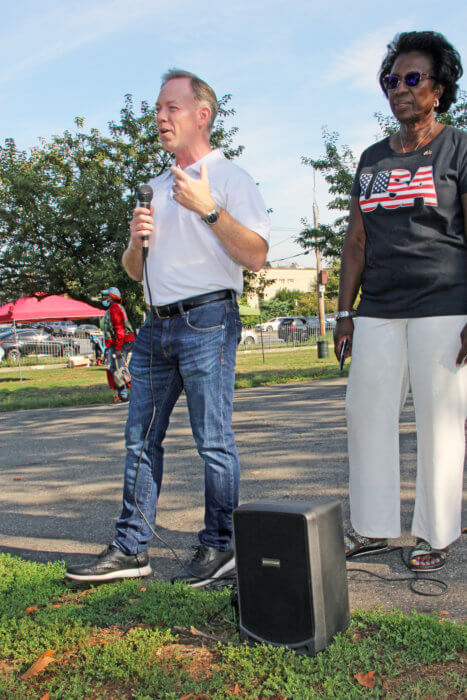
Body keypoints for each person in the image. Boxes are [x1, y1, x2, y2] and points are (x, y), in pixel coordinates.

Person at [65, 70, 270, 585]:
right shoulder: (153, 186)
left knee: (213, 440)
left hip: (207, 320)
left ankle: (219, 546)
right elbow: (137, 272)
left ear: (202, 114)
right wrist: (136, 242)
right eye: (158, 108)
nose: (159, 117)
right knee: (139, 440)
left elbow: (258, 256)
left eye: (171, 107)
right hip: (155, 327)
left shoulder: (230, 179)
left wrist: (210, 211)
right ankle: (133, 548)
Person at [334, 31, 466, 571]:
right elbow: (356, 241)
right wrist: (345, 312)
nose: (401, 89)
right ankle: (371, 529)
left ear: (438, 88)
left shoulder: (458, 147)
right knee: (365, 413)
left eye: (414, 80)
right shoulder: (371, 160)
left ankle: (435, 535)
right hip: (379, 310)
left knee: (440, 421)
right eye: (392, 80)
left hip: (444, 302)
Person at [101, 287, 135, 404]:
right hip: (119, 342)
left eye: (106, 296)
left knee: (118, 370)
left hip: (120, 343)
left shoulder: (115, 308)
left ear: (112, 297)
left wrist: (118, 348)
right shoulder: (114, 308)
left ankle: (124, 395)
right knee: (119, 369)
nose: (103, 298)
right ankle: (125, 394)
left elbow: (119, 329)